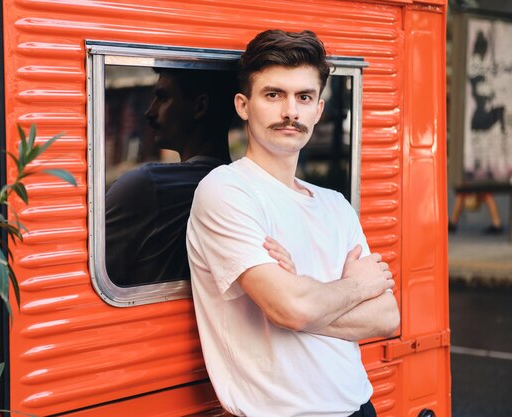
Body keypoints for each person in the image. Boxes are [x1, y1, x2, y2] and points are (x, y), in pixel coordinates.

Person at [186, 29, 399, 417]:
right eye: (273, 95)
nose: (291, 112)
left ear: (318, 109)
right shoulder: (226, 191)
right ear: (243, 105)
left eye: (304, 97)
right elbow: (292, 309)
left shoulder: (335, 206)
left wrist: (305, 293)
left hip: (359, 407)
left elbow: (387, 316)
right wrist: (355, 285)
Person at [105, 68, 237, 286]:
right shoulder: (242, 189)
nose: (150, 111)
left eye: (163, 97)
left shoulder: (147, 186)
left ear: (199, 107)